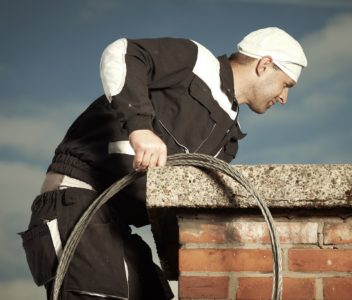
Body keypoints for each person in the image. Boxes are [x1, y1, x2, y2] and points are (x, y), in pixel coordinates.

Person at [20, 27, 307, 299]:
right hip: (78, 205)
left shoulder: (228, 140)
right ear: (265, 65)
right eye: (286, 84)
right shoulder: (197, 62)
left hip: (117, 227)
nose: (284, 97)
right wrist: (140, 127)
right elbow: (122, 52)